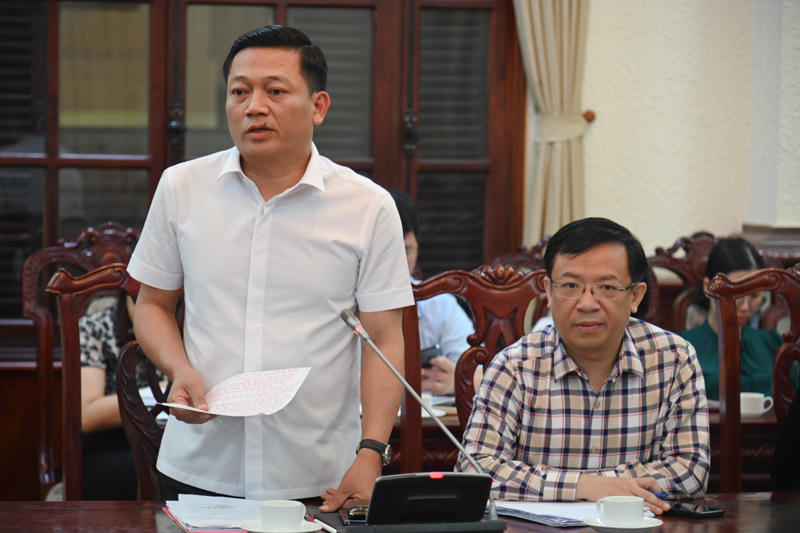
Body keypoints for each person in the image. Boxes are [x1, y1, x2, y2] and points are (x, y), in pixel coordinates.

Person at [127, 25, 412, 509]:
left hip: (319, 471)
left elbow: (384, 339)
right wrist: (179, 368)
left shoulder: (368, 206)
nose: (254, 106)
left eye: (275, 91)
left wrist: (372, 451)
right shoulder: (182, 188)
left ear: (318, 106)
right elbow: (152, 304)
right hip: (200, 462)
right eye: (239, 92)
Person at [456, 217, 710, 514]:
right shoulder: (514, 365)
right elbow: (474, 470)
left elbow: (690, 470)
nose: (587, 303)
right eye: (571, 286)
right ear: (549, 292)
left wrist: (597, 485)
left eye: (606, 287)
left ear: (635, 296)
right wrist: (584, 486)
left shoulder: (674, 358)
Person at [388, 188, 474, 395]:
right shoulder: (340, 303)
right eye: (389, 251)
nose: (400, 262)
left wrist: (459, 383)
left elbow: (476, 371)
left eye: (407, 250)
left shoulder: (439, 303)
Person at [679, 238, 784, 401]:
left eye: (755, 295)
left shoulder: (772, 343)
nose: (745, 307)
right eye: (737, 294)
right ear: (708, 286)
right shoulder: (682, 348)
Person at [79, 294, 138, 499]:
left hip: (171, 445)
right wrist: (159, 394)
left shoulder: (187, 326)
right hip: (110, 446)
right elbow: (88, 415)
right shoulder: (95, 326)